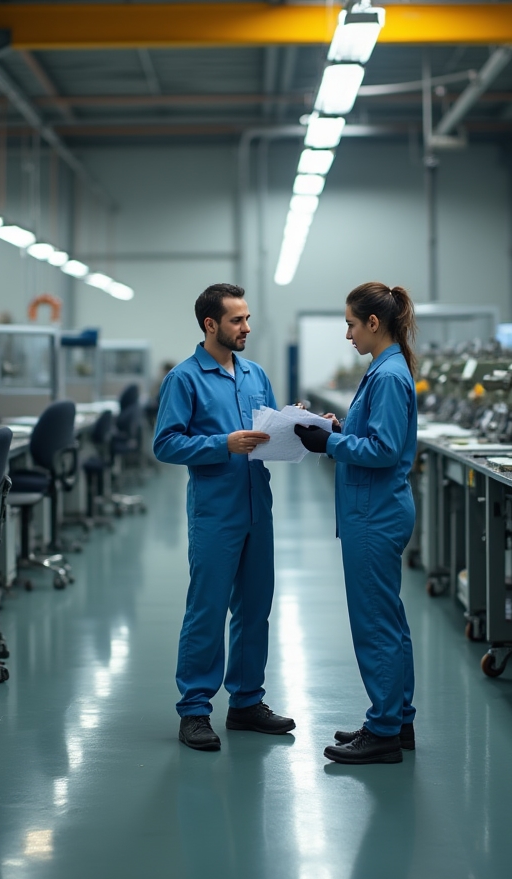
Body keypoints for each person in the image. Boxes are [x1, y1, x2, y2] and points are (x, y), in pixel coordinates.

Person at [154, 283, 295, 751]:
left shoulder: (256, 374)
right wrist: (221, 444)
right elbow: (166, 443)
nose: (247, 328)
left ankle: (246, 703)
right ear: (210, 324)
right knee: (207, 610)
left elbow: (271, 432)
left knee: (255, 610)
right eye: (237, 320)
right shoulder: (184, 379)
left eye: (248, 319)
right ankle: (195, 710)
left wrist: (300, 427)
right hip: (216, 512)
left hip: (259, 507)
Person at [295, 282, 419, 765]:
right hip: (375, 508)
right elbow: (374, 436)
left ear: (373, 323)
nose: (347, 334)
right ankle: (398, 719)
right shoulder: (383, 369)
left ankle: (384, 729)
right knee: (388, 620)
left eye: (350, 324)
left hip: (375, 513)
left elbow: (385, 450)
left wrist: (329, 445)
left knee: (374, 624)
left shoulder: (387, 375)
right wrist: (340, 431)